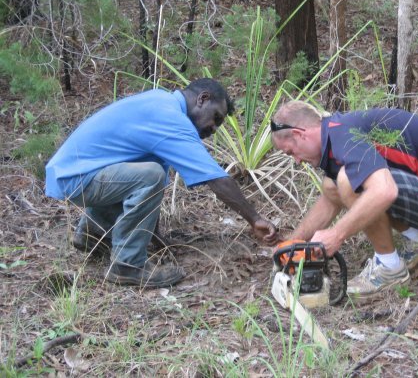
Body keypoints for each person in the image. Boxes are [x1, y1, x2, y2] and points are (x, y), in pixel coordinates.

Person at [46, 79, 278, 288]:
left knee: (150, 171)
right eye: (216, 117)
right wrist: (254, 219)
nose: (214, 129)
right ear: (203, 98)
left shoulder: (160, 103)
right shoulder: (171, 118)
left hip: (74, 173)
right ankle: (127, 266)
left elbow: (140, 184)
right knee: (151, 174)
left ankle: (94, 231)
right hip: (77, 177)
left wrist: (154, 236)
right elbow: (216, 178)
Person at [270, 100, 418, 302]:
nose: (296, 161)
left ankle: (389, 269)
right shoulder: (335, 134)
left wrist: (336, 235)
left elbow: (384, 190)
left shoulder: (342, 134)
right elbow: (329, 201)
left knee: (350, 179)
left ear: (299, 134)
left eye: (291, 152)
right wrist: (291, 243)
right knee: (331, 185)